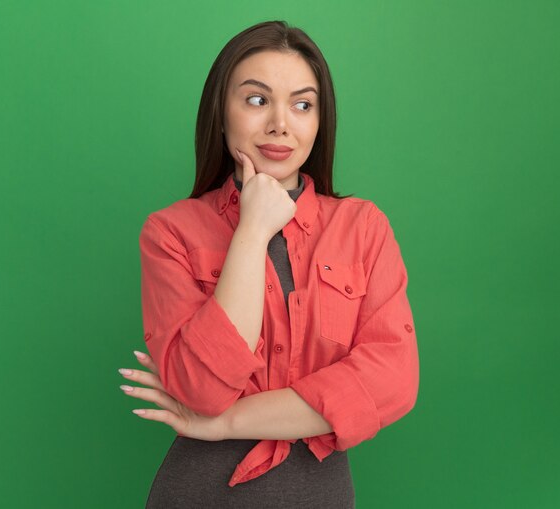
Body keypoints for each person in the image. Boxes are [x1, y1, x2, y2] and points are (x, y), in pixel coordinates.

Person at [117, 20, 419, 508]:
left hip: (319, 492)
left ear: (320, 122)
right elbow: (202, 390)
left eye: (302, 104)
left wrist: (230, 423)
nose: (281, 123)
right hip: (199, 492)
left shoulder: (363, 228)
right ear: (221, 113)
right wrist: (252, 231)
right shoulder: (170, 232)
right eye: (257, 100)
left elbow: (392, 381)